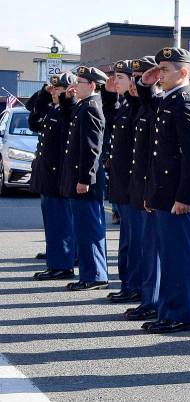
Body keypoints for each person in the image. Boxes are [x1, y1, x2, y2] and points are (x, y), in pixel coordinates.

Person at [136, 48, 190, 334]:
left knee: (179, 259)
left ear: (183, 72)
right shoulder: (169, 100)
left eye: (165, 69)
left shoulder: (186, 102)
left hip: (178, 197)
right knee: (169, 257)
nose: (160, 74)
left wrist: (186, 197)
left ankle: (180, 314)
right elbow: (148, 104)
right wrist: (145, 83)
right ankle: (168, 311)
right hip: (164, 193)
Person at [61, 66, 110, 291]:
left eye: (79, 82)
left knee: (89, 229)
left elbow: (92, 148)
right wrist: (67, 99)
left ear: (92, 85)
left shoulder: (91, 107)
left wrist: (84, 179)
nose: (75, 85)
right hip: (82, 178)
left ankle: (95, 275)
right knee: (83, 228)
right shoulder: (83, 105)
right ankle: (90, 274)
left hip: (87, 180)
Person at [124, 56, 162, 322]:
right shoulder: (139, 106)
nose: (136, 84)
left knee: (154, 251)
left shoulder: (159, 105)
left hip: (156, 188)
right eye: (133, 78)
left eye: (141, 78)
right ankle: (148, 298)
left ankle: (153, 299)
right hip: (141, 186)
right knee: (144, 247)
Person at [30, 73, 77, 281]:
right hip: (47, 175)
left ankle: (62, 264)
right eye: (54, 89)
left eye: (59, 89)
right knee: (52, 223)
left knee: (61, 223)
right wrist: (43, 94)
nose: (55, 92)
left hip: (58, 176)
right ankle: (55, 260)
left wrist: (67, 100)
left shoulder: (68, 112)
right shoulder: (53, 110)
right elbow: (33, 121)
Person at [104, 60, 143, 303]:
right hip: (121, 181)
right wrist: (109, 95)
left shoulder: (136, 106)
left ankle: (135, 285)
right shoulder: (124, 105)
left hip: (132, 182)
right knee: (127, 238)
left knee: (136, 240)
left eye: (121, 77)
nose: (115, 81)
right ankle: (128, 283)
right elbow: (110, 120)